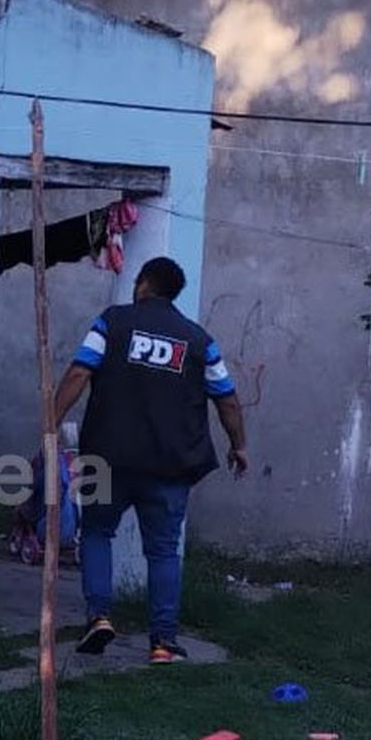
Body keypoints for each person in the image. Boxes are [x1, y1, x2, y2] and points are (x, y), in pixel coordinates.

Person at [53, 257, 248, 665]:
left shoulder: (112, 322)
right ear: (174, 292)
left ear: (142, 284)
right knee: (162, 551)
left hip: (108, 457)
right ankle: (163, 641)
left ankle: (99, 617)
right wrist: (238, 445)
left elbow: (77, 374)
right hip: (170, 465)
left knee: (96, 533)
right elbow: (227, 398)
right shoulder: (199, 340)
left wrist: (50, 421)